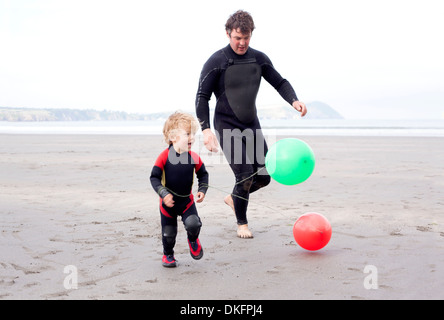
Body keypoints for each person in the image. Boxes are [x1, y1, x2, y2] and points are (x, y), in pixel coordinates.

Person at [195, 10, 307, 238]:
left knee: (264, 177)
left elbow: (280, 82)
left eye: (246, 38)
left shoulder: (259, 58)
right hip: (226, 124)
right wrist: (206, 130)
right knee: (244, 174)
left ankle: (234, 198)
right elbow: (201, 97)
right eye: (237, 38)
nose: (242, 43)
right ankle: (242, 224)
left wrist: (293, 100)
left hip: (251, 124)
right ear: (228, 34)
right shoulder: (216, 61)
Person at [150, 112, 209, 267]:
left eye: (193, 134)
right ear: (173, 136)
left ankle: (193, 239)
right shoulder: (163, 157)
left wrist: (202, 189)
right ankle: (168, 255)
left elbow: (203, 175)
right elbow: (154, 178)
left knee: (193, 224)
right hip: (167, 204)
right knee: (169, 234)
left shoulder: (194, 157)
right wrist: (163, 194)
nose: (192, 138)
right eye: (188, 134)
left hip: (186, 202)